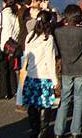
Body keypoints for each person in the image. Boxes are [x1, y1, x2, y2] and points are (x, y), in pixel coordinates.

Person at [53, 4, 82, 138]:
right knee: (78, 100)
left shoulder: (59, 32)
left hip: (66, 68)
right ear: (79, 17)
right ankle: (75, 131)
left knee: (64, 99)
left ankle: (58, 131)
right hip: (80, 68)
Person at [22, 10, 59, 138]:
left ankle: (34, 129)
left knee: (32, 104)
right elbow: (50, 60)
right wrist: (54, 79)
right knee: (45, 104)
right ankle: (43, 131)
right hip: (44, 76)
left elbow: (26, 56)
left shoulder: (30, 36)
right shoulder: (48, 38)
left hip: (31, 75)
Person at [0, 0, 21, 99]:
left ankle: (4, 92)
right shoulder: (15, 16)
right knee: (12, 69)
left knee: (3, 69)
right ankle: (13, 90)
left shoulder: (1, 15)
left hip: (3, 45)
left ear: (5, 4)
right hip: (12, 46)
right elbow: (18, 31)